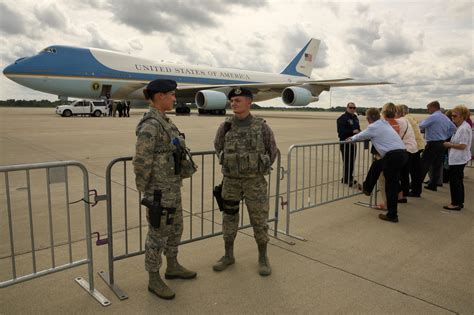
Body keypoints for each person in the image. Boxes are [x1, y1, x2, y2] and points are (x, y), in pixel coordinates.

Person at [133, 79, 197, 300]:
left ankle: (173, 266)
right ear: (160, 95)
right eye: (171, 94)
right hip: (159, 191)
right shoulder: (151, 124)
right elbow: (141, 160)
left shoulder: (165, 121)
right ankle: (153, 278)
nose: (175, 98)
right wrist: (147, 192)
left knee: (175, 228)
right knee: (157, 235)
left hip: (172, 187)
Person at [213, 87, 278, 276]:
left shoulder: (261, 126)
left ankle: (263, 257)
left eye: (238, 100)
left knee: (259, 219)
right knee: (229, 218)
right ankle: (228, 255)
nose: (234, 103)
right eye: (232, 100)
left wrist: (256, 168)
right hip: (231, 182)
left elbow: (271, 150)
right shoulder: (225, 126)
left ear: (249, 102)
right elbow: (218, 147)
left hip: (254, 182)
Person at [347, 107, 408, 223]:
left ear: (368, 119)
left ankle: (392, 215)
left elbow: (361, 135)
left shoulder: (373, 127)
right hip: (401, 154)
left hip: (393, 156)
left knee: (390, 186)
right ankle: (368, 187)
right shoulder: (384, 123)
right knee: (378, 165)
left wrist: (351, 138)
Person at [412, 101, 456, 195]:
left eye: (428, 108)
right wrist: (445, 136)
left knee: (423, 165)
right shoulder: (444, 117)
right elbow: (453, 128)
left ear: (433, 107)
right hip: (442, 143)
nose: (427, 110)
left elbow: (421, 125)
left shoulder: (433, 117)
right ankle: (433, 185)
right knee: (437, 165)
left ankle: (416, 187)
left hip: (433, 143)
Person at [442, 105, 472, 210]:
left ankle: (455, 203)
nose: (452, 117)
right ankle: (459, 202)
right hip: (457, 158)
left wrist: (449, 145)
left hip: (459, 159)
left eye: (454, 116)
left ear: (462, 116)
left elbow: (463, 145)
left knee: (455, 182)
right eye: (452, 115)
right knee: (458, 181)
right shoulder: (461, 126)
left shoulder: (464, 128)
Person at [399, 104, 425, 196]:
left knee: (412, 171)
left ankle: (413, 191)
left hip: (413, 147)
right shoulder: (410, 117)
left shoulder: (406, 119)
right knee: (415, 170)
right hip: (418, 145)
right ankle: (416, 190)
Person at [336, 102, 360, 186]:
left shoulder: (355, 118)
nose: (352, 109)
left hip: (353, 143)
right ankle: (346, 179)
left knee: (352, 162)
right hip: (345, 143)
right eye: (350, 107)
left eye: (354, 108)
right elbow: (340, 133)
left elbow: (358, 129)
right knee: (347, 162)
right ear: (347, 108)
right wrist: (352, 131)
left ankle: (349, 177)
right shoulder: (342, 119)